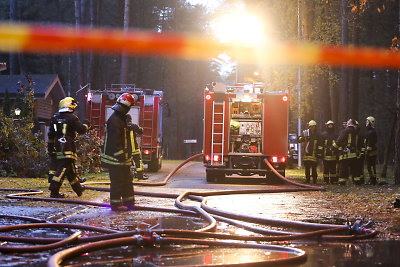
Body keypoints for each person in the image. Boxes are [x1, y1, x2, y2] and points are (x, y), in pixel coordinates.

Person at [101, 93, 137, 211]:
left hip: (123, 158)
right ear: (127, 106)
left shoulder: (121, 119)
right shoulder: (115, 120)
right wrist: (120, 154)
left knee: (127, 181)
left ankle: (129, 203)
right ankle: (116, 205)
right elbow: (114, 140)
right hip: (115, 159)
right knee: (117, 181)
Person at [48, 97, 89, 198]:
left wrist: (50, 148)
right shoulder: (72, 118)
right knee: (63, 168)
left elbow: (50, 135)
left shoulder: (54, 118)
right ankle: (54, 190)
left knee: (70, 171)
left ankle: (78, 189)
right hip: (68, 147)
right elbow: (81, 130)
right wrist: (87, 124)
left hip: (58, 147)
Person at [333, 119, 359, 186]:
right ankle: (357, 182)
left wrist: (333, 147)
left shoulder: (346, 131)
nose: (346, 123)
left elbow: (340, 140)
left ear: (350, 123)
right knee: (355, 169)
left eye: (347, 122)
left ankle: (342, 182)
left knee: (343, 168)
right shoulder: (355, 132)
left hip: (347, 154)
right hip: (354, 153)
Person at [126, 114, 146, 180]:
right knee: (138, 161)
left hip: (125, 149)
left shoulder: (122, 126)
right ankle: (140, 176)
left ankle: (127, 176)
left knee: (126, 162)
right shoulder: (133, 126)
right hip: (134, 148)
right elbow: (141, 131)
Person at [365, 116, 378, 185]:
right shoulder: (370, 131)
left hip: (371, 152)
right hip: (371, 151)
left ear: (370, 123)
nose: (366, 123)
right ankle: (372, 179)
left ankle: (373, 180)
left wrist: (367, 151)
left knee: (371, 166)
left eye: (367, 122)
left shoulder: (371, 132)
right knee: (369, 167)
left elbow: (371, 143)